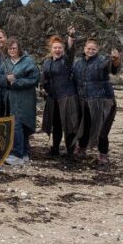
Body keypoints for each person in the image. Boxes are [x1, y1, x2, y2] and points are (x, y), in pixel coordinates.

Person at [73, 39, 122, 166]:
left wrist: (116, 60)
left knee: (102, 130)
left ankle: (103, 155)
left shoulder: (102, 61)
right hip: (85, 100)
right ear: (84, 49)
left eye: (93, 49)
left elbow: (113, 68)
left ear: (97, 50)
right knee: (84, 126)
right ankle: (81, 149)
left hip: (103, 100)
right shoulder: (78, 63)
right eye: (88, 49)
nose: (91, 51)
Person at [41, 27, 79, 158]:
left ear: (62, 49)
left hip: (67, 97)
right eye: (55, 48)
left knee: (69, 126)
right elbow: (44, 78)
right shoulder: (47, 62)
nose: (57, 50)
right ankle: (55, 149)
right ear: (51, 49)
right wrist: (43, 89)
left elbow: (71, 50)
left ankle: (70, 152)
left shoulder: (66, 61)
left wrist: (71, 36)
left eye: (59, 48)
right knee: (56, 124)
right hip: (53, 98)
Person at [2, 37, 40, 165]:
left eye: (14, 48)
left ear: (19, 49)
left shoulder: (28, 61)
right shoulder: (5, 62)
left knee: (21, 124)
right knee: (17, 124)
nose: (12, 50)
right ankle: (24, 154)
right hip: (12, 98)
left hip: (26, 98)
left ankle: (17, 154)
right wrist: (6, 80)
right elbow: (1, 79)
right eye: (10, 48)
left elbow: (35, 79)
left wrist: (16, 81)